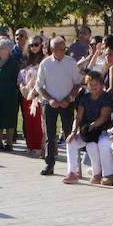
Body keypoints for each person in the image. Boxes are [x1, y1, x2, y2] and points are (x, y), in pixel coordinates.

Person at [35, 36, 83, 176]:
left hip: (67, 103)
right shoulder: (45, 64)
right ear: (52, 49)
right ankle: (49, 164)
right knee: (50, 135)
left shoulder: (71, 63)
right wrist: (50, 99)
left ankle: (73, 167)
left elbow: (77, 83)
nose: (63, 52)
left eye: (64, 49)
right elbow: (39, 86)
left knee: (69, 135)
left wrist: (68, 98)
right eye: (60, 49)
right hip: (50, 104)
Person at [63, 72, 113, 184]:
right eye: (90, 84)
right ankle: (72, 172)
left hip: (102, 131)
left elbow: (104, 117)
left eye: (95, 84)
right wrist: (73, 132)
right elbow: (78, 117)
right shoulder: (84, 98)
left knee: (92, 145)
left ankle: (97, 173)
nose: (93, 87)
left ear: (102, 85)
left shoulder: (106, 97)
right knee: (70, 142)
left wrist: (91, 126)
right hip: (87, 132)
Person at [0, 39, 21, 151]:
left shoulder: (13, 64)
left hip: (9, 94)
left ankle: (10, 143)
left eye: (1, 47)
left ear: (8, 50)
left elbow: (17, 80)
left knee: (9, 118)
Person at [18, 41, 45, 157]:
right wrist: (22, 88)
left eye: (36, 44)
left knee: (38, 121)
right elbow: (20, 77)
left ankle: (39, 146)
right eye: (31, 45)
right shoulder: (25, 61)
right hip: (26, 94)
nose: (34, 47)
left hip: (37, 94)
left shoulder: (43, 60)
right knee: (28, 120)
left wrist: (32, 89)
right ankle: (30, 145)